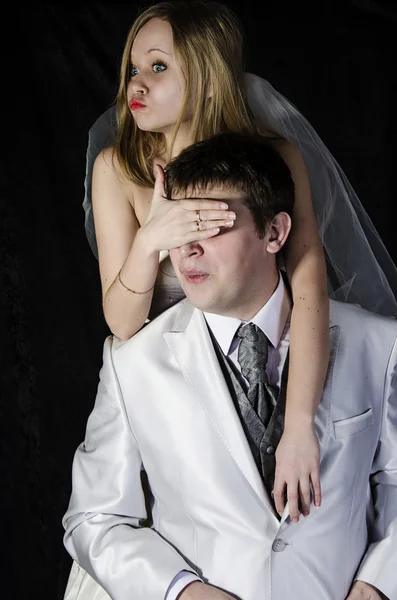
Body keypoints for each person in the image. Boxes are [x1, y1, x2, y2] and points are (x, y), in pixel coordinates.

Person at [63, 132, 396, 600]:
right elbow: (94, 519)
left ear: (275, 233)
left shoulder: (379, 345)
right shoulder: (133, 366)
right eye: (179, 229)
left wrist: (380, 580)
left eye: (211, 225)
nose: (187, 250)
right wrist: (180, 592)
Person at [86, 0, 332, 527]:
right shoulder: (117, 169)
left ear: (207, 75)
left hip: (269, 376)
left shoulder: (275, 159)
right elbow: (123, 324)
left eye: (158, 67)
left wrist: (300, 425)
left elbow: (310, 290)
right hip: (171, 391)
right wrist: (151, 237)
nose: (137, 85)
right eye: (132, 68)